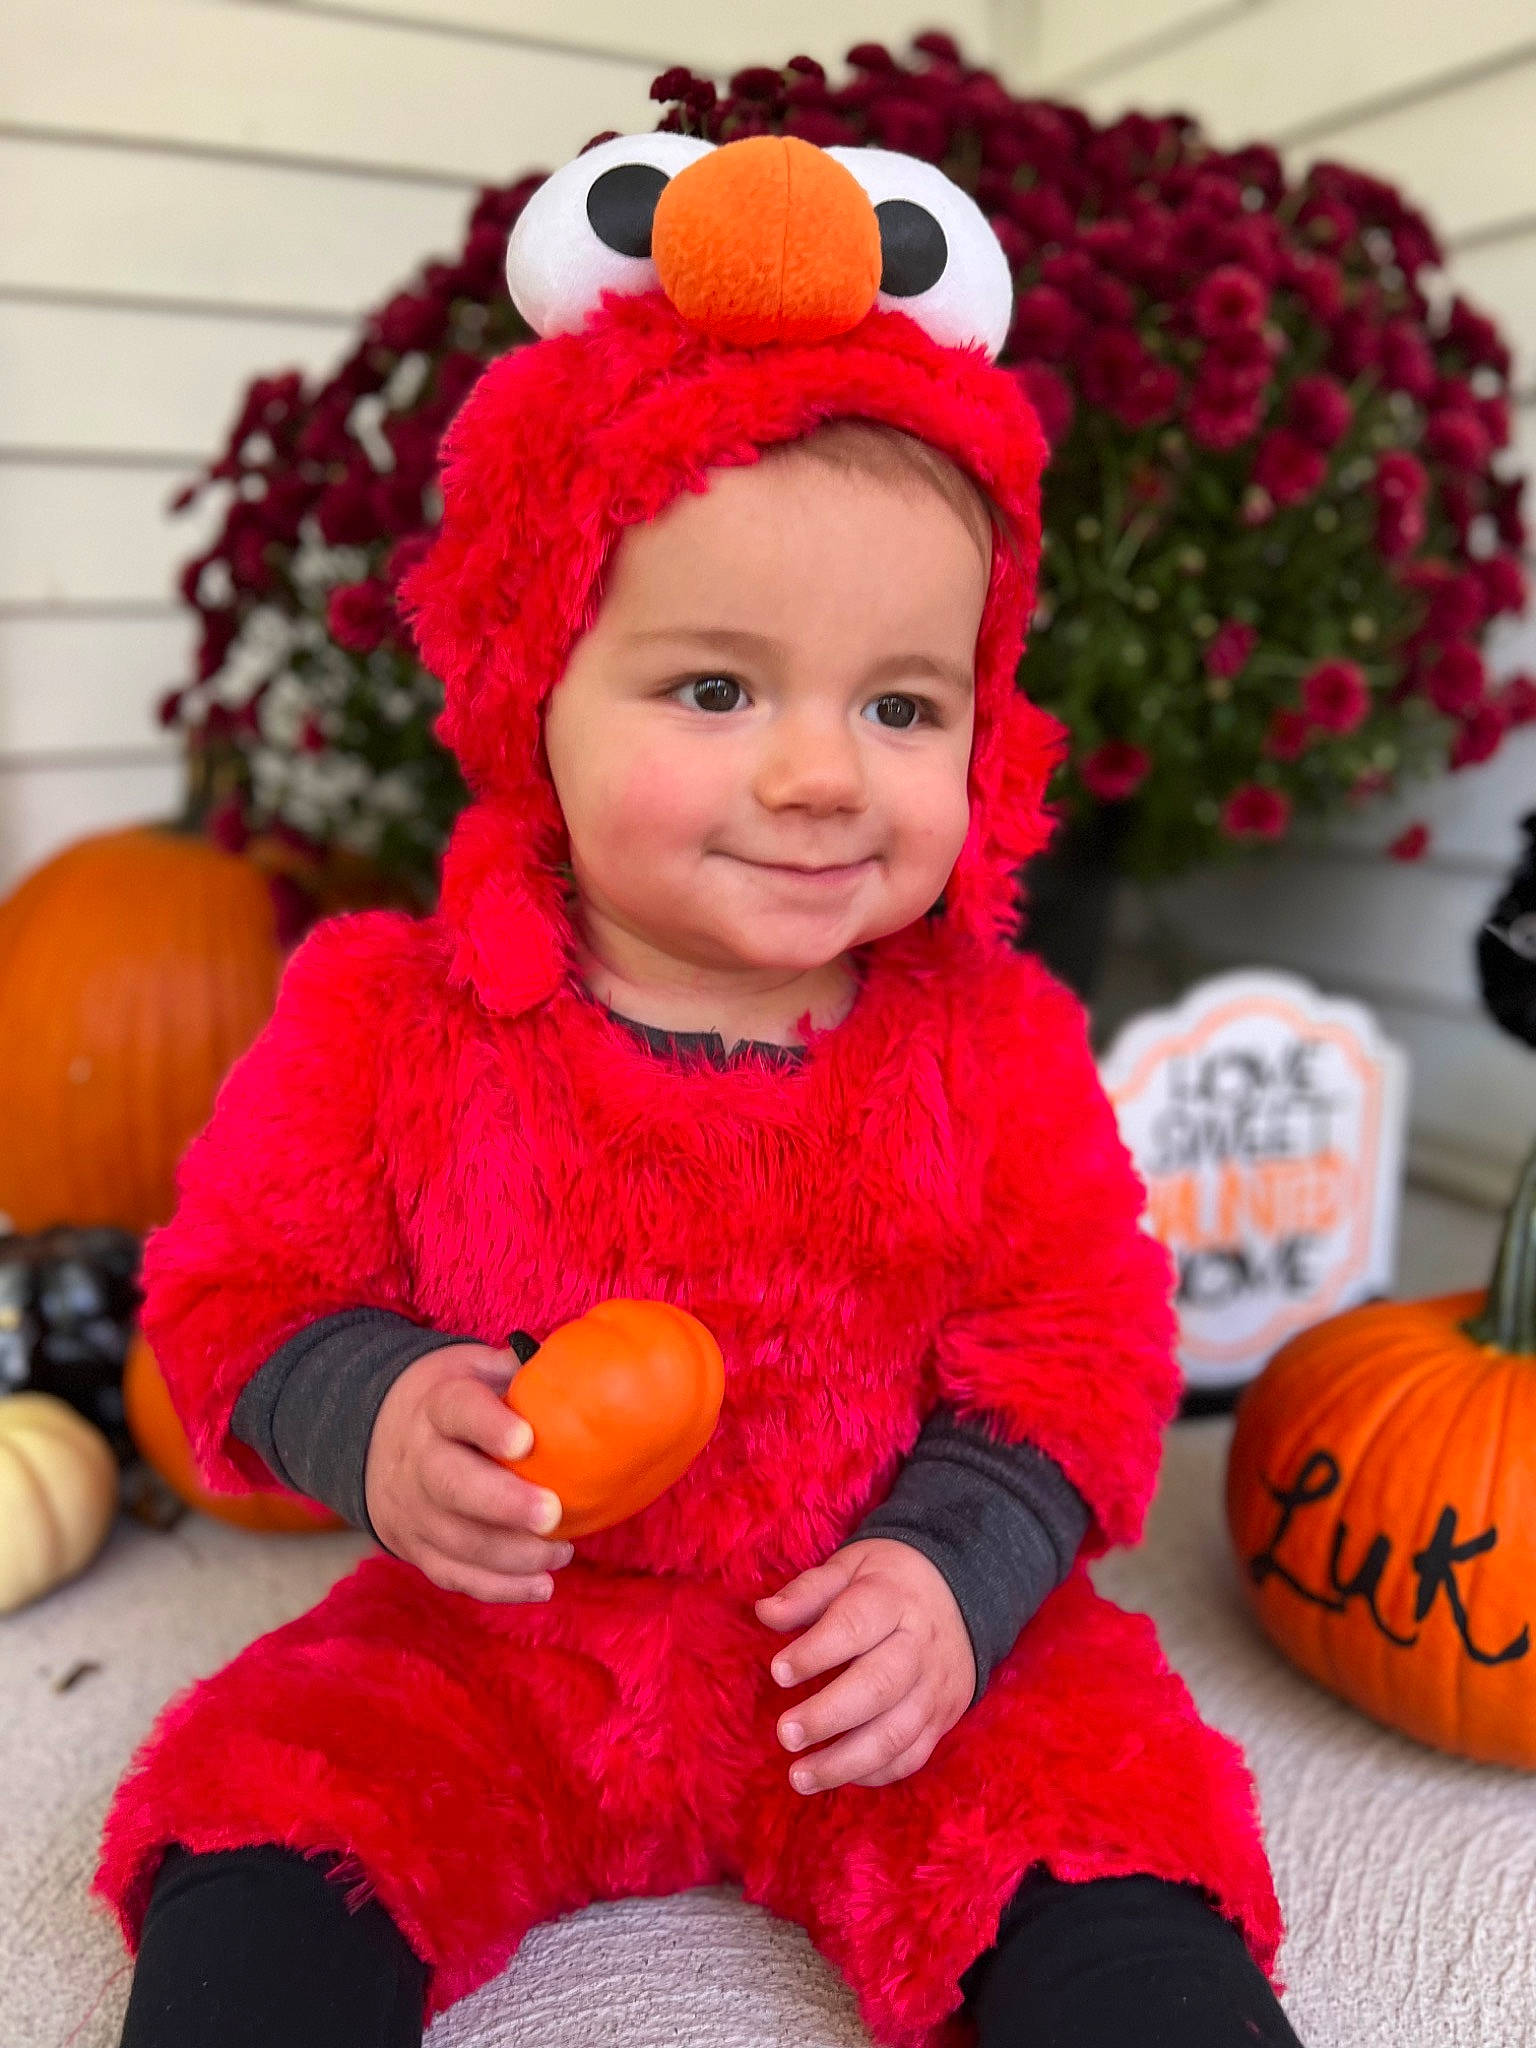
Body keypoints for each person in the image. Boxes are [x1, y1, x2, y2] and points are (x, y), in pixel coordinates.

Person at [99, 132, 1301, 2048]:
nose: (824, 774)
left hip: (872, 1653)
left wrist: (950, 1574)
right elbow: (237, 1293)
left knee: (1087, 1816)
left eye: (901, 704)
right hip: (512, 1645)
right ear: (528, 687)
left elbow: (1077, 1360)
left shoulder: (990, 1045)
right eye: (717, 690)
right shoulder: (390, 1020)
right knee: (292, 1794)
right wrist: (381, 1413)